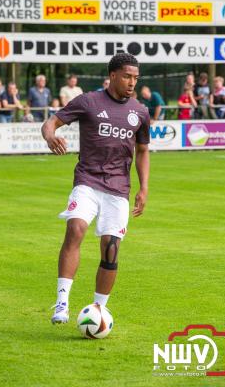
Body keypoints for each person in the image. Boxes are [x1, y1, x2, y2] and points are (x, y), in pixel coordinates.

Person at [41, 53, 150, 324]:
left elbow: (143, 150)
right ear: (113, 75)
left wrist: (144, 188)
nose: (132, 82)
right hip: (88, 181)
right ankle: (62, 303)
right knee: (75, 228)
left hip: (118, 189)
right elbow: (51, 122)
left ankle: (99, 310)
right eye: (127, 76)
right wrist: (50, 135)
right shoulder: (88, 101)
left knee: (111, 247)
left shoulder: (140, 111)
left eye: (136, 77)